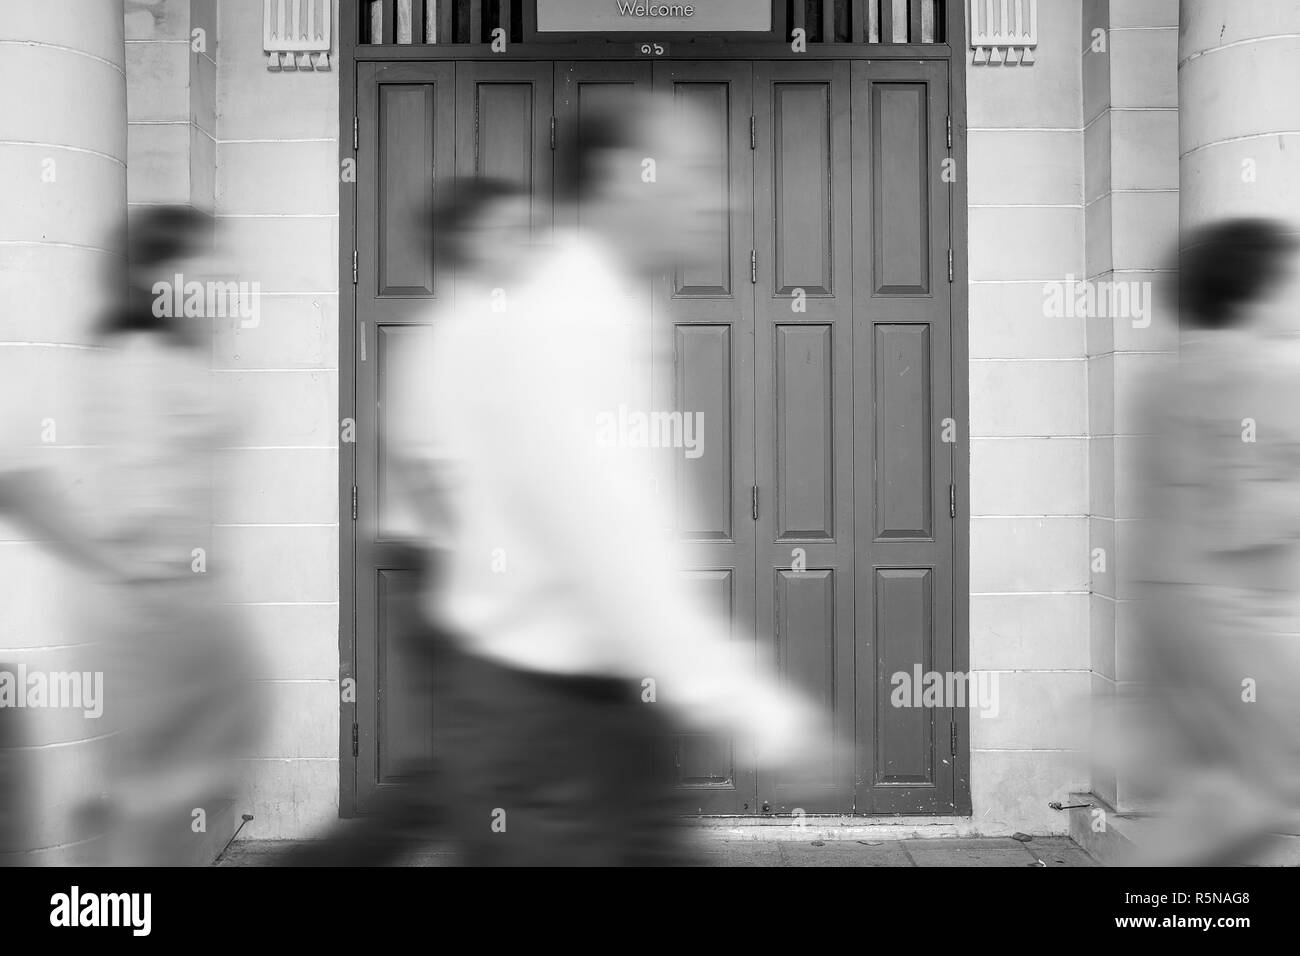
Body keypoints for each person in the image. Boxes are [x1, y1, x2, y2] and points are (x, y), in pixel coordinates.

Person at [389, 94, 826, 866]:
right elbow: (612, 550)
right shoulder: (569, 319)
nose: (723, 197)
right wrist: (761, 715)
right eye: (699, 172)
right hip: (552, 733)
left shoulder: (599, 306)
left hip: (586, 718)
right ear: (625, 177)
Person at [1128, 217, 1300, 865]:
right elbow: (1245, 513)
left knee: (1227, 788)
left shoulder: (1169, 378)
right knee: (1259, 785)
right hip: (1226, 613)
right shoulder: (1261, 375)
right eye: (1291, 277)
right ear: (1257, 288)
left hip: (1171, 608)